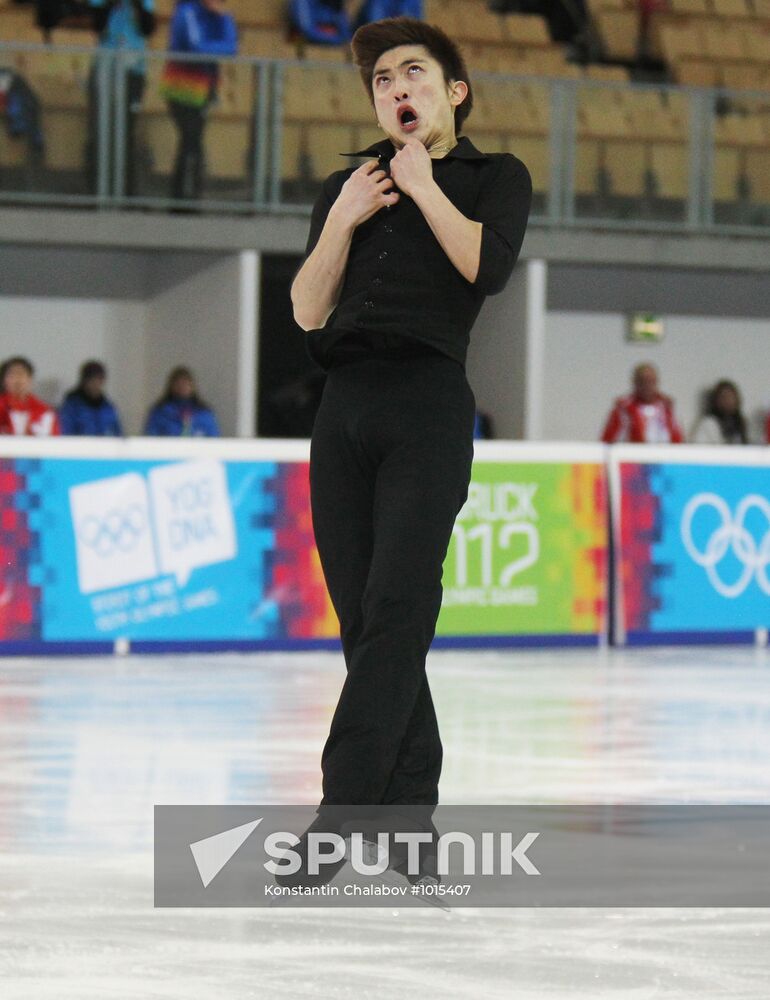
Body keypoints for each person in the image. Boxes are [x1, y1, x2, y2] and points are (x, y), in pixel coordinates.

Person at [281, 15, 531, 888]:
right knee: (366, 618)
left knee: (397, 605)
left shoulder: (496, 177)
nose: (397, 89)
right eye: (383, 80)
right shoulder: (345, 185)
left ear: (453, 92)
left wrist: (424, 188)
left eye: (413, 73)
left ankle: (341, 815)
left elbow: (486, 270)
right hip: (344, 406)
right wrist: (343, 221)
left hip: (428, 404)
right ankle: (409, 821)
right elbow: (306, 310)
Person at [160, 0, 238, 202]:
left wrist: (224, 17)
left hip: (203, 90)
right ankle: (181, 198)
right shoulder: (187, 11)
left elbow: (232, 47)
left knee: (194, 142)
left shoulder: (219, 16)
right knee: (190, 141)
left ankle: (188, 198)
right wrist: (218, 47)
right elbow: (195, 46)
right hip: (181, 88)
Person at [86, 0, 156, 197]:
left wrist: (137, 5)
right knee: (100, 128)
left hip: (133, 69)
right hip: (105, 67)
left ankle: (126, 191)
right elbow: (97, 25)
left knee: (127, 130)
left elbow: (148, 29)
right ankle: (97, 190)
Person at [601, 362, 684, 443]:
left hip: (663, 451)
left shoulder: (666, 407)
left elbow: (677, 437)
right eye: (643, 381)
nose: (647, 386)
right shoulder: (623, 408)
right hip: (634, 451)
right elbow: (608, 439)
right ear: (635, 383)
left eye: (651, 381)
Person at [144, 365, 220, 436]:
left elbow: (214, 439)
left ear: (193, 386)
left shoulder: (204, 413)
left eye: (186, 383)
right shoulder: (159, 412)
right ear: (171, 386)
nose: (182, 387)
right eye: (178, 383)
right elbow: (150, 438)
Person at [59, 360, 123, 436]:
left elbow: (118, 434)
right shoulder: (71, 408)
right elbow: (65, 433)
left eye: (100, 379)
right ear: (84, 381)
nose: (96, 384)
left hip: (105, 443)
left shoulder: (109, 408)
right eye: (92, 379)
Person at [0, 356, 60, 436]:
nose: (17, 380)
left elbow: (54, 439)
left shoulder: (45, 412)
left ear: (30, 379)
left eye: (21, 374)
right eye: (12, 375)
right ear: (4, 381)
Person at [691, 379, 748, 445]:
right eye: (724, 397)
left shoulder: (740, 423)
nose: (728, 401)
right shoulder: (708, 424)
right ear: (716, 400)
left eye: (731, 397)